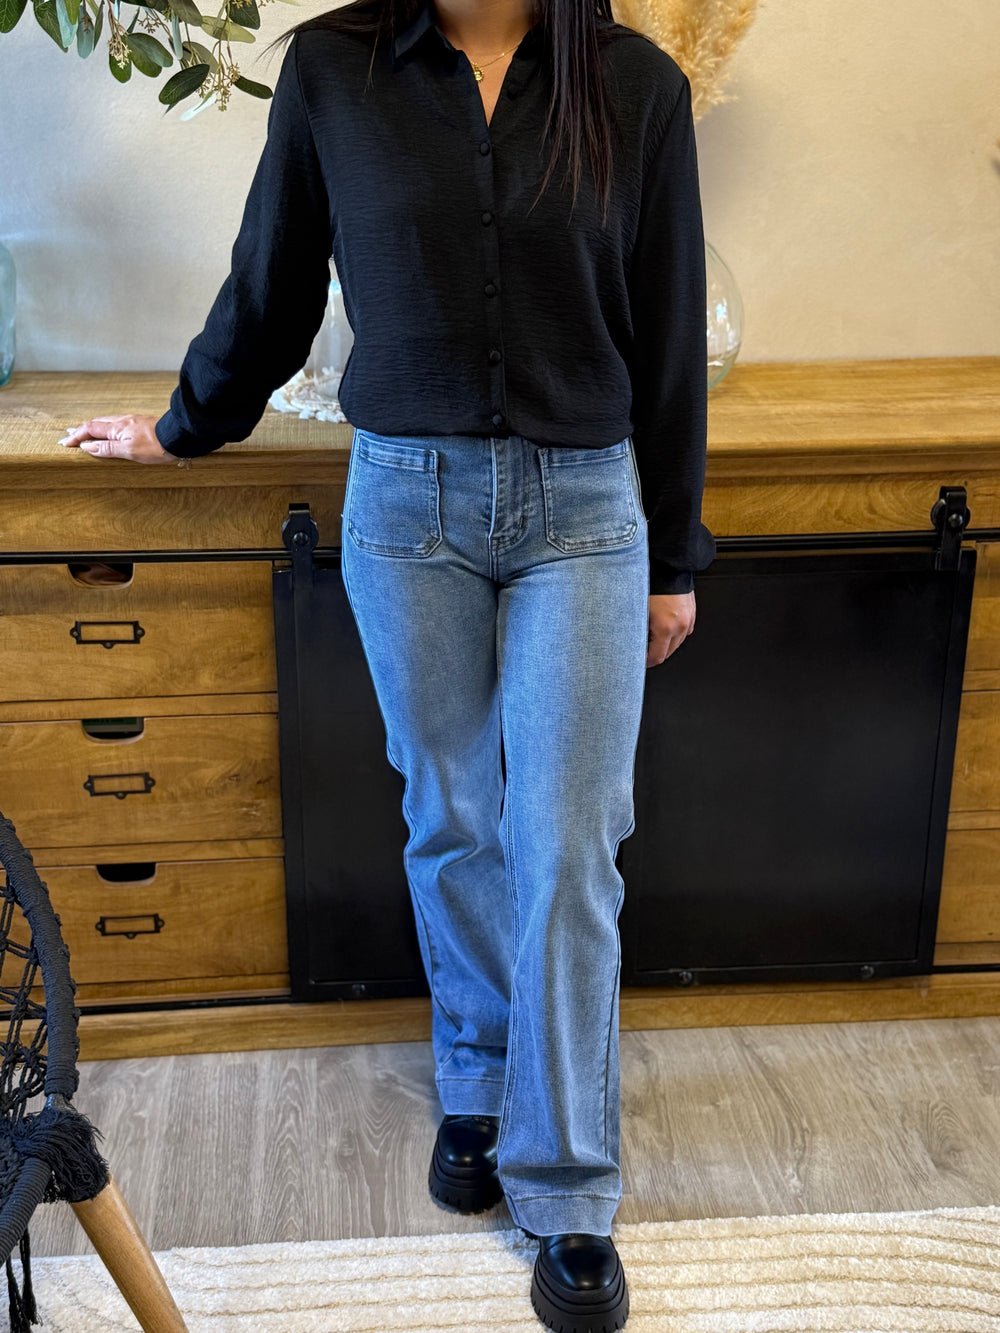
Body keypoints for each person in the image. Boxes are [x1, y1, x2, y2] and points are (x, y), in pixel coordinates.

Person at [58, 0, 716, 1325]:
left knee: (570, 838)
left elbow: (668, 330)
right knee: (452, 810)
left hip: (588, 515)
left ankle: (568, 1187)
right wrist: (183, 426)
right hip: (408, 508)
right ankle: (475, 1081)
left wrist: (674, 553)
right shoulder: (333, 71)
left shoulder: (636, 85)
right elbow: (274, 282)